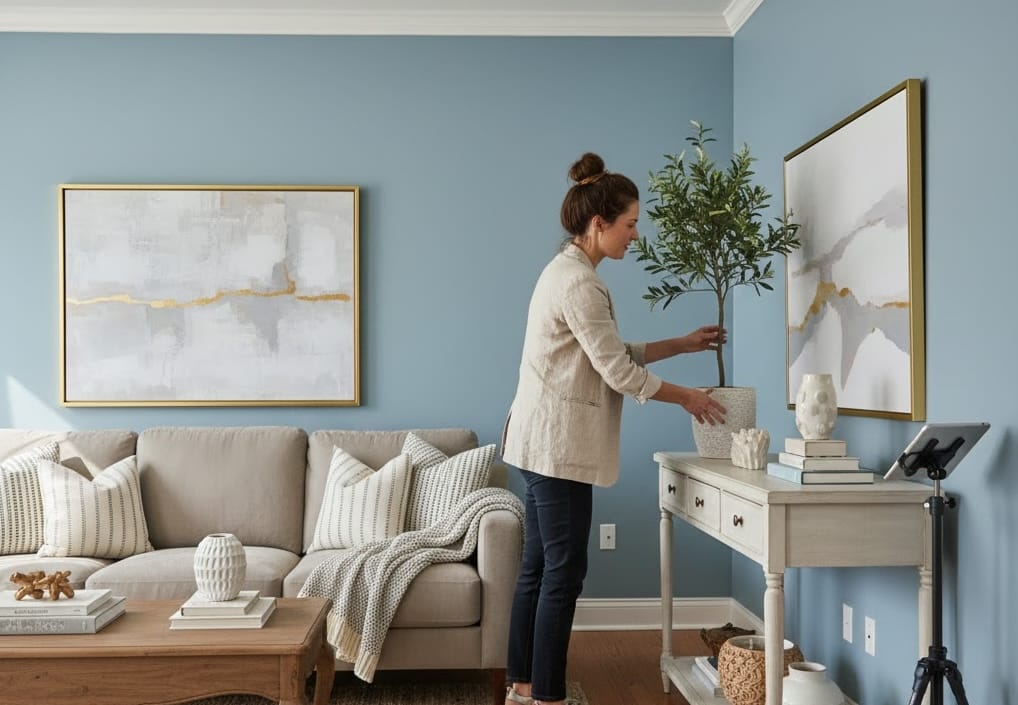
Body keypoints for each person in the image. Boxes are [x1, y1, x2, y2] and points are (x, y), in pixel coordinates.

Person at [500, 152, 727, 705]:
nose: (635, 236)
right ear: (598, 223)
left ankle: (525, 684)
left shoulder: (566, 273)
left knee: (538, 567)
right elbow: (619, 371)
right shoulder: (580, 284)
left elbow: (611, 351)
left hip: (534, 441)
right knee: (564, 570)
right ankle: (547, 696)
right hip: (555, 447)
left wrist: (684, 343)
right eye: (629, 224)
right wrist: (689, 399)